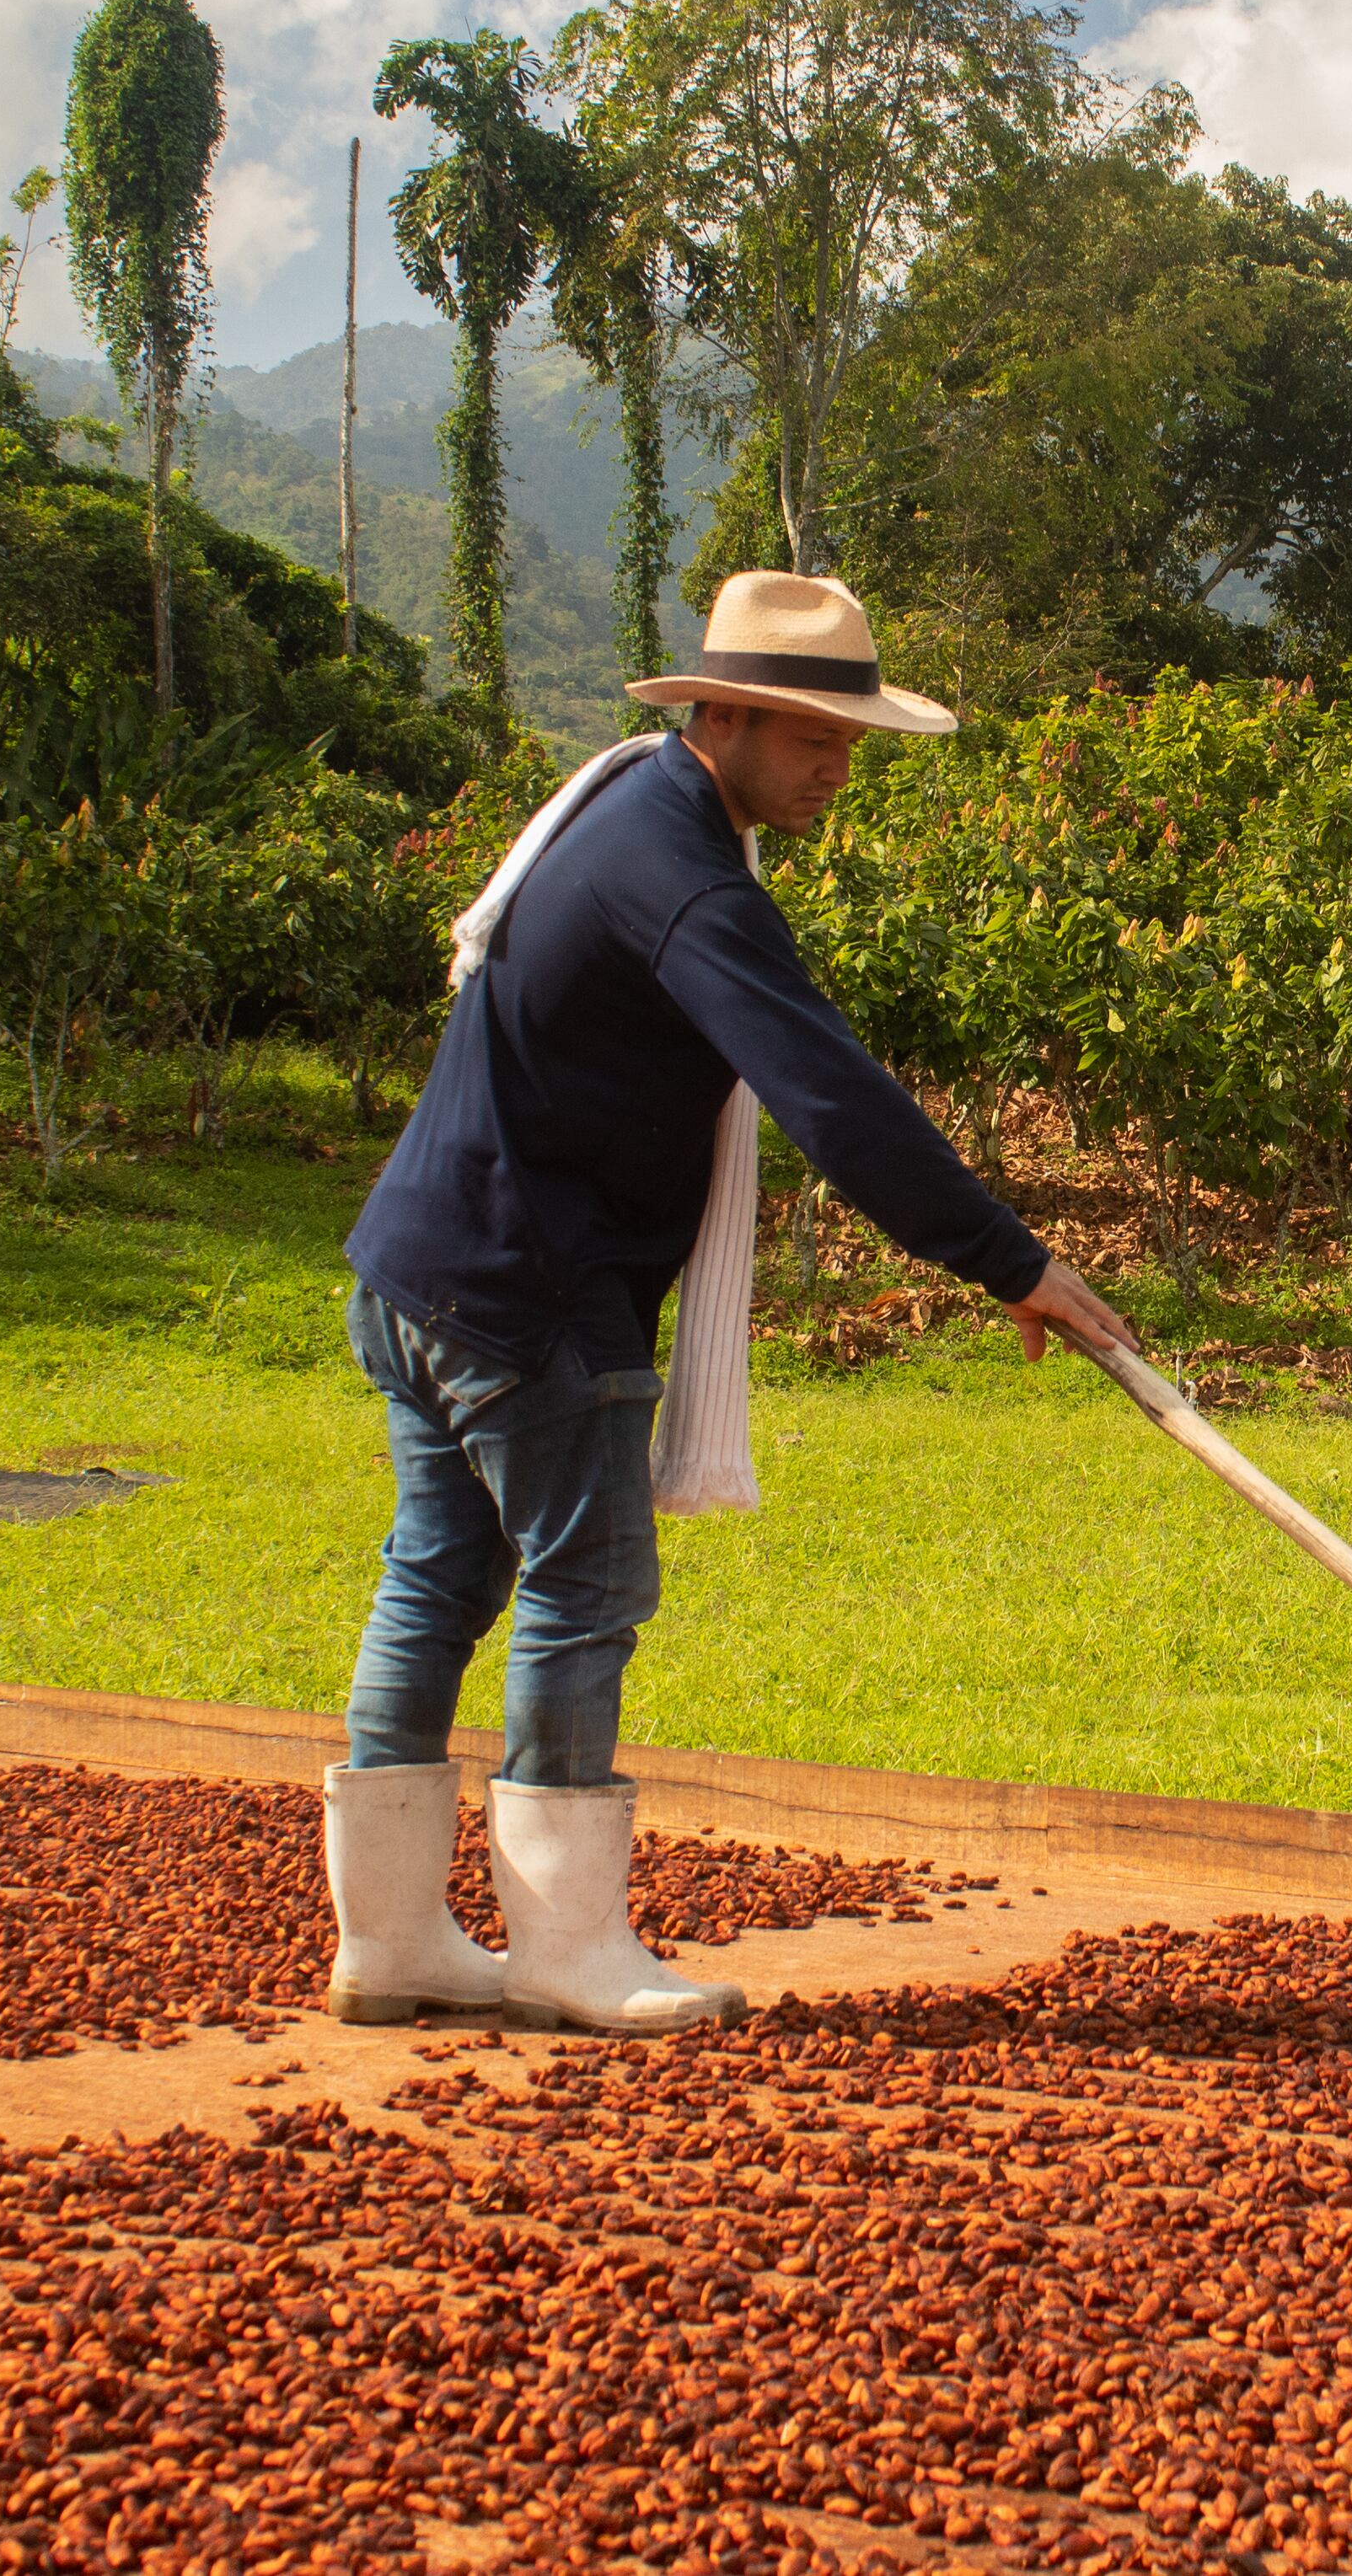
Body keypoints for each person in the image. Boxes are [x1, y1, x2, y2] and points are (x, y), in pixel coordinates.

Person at [324, 570, 1136, 2036]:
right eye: (817, 736)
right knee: (582, 1591)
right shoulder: (685, 869)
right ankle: (564, 1945)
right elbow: (830, 1090)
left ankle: (391, 1942)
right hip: (530, 1292)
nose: (840, 765)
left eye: (852, 738)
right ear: (733, 718)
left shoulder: (628, 805)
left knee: (436, 1578)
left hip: (422, 1261)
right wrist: (1011, 1259)